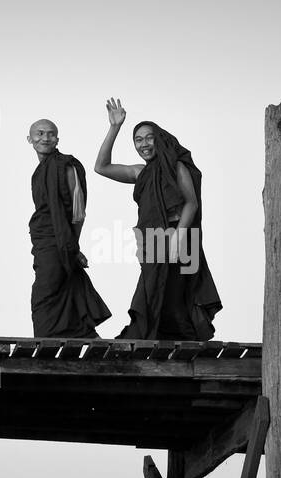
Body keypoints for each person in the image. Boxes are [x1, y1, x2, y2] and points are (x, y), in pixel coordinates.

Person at [94, 98, 221, 340]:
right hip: (152, 241)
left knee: (176, 296)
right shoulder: (140, 172)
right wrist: (115, 128)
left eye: (149, 138)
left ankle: (189, 346)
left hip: (182, 238)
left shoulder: (176, 167)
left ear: (159, 139)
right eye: (138, 140)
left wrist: (177, 240)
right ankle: (156, 342)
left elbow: (191, 203)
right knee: (152, 293)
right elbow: (101, 167)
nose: (144, 144)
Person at [27, 118, 112, 338]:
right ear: (30, 139)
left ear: (57, 139)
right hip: (46, 241)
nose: (45, 138)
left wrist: (72, 246)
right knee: (65, 288)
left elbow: (78, 212)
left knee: (44, 296)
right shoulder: (39, 172)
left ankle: (46, 348)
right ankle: (85, 335)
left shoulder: (67, 165)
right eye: (40, 133)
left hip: (61, 242)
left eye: (51, 134)